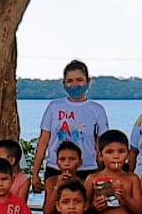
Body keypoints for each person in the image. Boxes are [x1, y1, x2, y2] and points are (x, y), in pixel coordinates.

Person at [30, 59, 109, 191]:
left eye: (79, 80)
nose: (75, 85)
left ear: (88, 81)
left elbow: (102, 143)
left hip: (87, 168)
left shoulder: (97, 110)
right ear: (64, 83)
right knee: (54, 208)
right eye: (70, 81)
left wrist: (104, 171)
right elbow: (43, 141)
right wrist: (35, 173)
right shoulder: (54, 107)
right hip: (56, 168)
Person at [42, 141, 82, 214]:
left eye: (72, 159)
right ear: (57, 163)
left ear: (80, 163)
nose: (67, 163)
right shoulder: (51, 181)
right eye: (62, 159)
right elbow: (47, 212)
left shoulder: (82, 183)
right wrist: (57, 186)